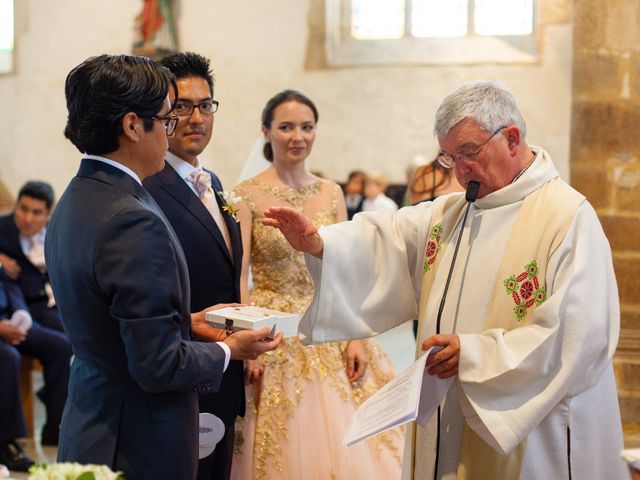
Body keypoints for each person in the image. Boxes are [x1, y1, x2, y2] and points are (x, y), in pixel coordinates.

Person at [263, 80, 626, 479]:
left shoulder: (566, 216)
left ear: (512, 138)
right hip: (448, 413)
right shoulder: (453, 212)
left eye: (469, 153)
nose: (461, 172)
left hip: (531, 433)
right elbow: (389, 239)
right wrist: (319, 243)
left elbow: (580, 334)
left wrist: (474, 355)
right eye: (450, 158)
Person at [45, 54, 282, 480]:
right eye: (166, 119)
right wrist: (231, 349)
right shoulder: (131, 217)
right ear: (134, 125)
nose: (172, 130)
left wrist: (186, 321)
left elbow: (108, 319)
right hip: (136, 440)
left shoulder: (77, 198)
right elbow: (159, 366)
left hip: (91, 420)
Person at [231, 90, 404, 480]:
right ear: (266, 132)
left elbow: (347, 268)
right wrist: (249, 342)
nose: (298, 137)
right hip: (273, 326)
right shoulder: (245, 195)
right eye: (286, 127)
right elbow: (240, 275)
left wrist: (355, 337)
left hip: (329, 320)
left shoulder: (331, 192)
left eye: (307, 127)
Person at [143, 51, 244, 480]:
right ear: (162, 114)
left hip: (224, 365)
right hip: (183, 370)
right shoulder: (147, 187)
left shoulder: (215, 183)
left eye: (205, 105)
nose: (196, 117)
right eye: (182, 106)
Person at [0, 270, 71, 470]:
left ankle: (54, 427)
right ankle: (6, 442)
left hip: (9, 319)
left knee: (60, 346)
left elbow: (9, 283)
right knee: (7, 358)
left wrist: (20, 315)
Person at [0, 181, 63, 333]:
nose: (27, 219)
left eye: (36, 213)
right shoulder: (2, 227)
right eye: (23, 209)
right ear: (16, 205)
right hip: (28, 303)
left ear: (49, 214)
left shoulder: (57, 230)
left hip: (59, 299)